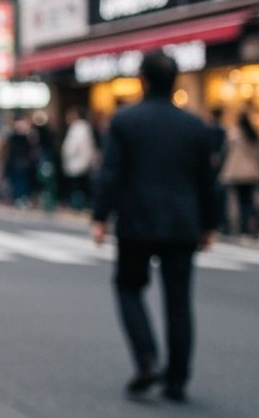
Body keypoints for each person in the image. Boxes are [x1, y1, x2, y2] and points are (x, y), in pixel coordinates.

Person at [92, 52, 217, 403]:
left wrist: (100, 216)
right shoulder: (195, 127)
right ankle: (176, 379)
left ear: (143, 79)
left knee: (128, 287)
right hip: (182, 222)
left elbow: (111, 173)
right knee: (179, 301)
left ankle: (147, 358)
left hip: (137, 221)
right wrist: (210, 223)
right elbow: (207, 182)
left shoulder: (126, 121)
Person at [220, 111, 259, 238]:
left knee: (237, 201)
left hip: (236, 172)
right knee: (248, 201)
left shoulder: (233, 133)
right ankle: (249, 226)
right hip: (251, 172)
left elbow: (224, 152)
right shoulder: (253, 134)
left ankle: (242, 226)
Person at [61, 107, 98, 211]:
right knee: (84, 187)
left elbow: (70, 148)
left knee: (77, 188)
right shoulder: (87, 128)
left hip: (76, 164)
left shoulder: (76, 128)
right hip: (85, 163)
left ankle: (78, 206)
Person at [5, 115, 37, 206]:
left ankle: (20, 197)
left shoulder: (26, 137)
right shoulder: (15, 138)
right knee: (19, 181)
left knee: (22, 181)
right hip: (20, 163)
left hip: (21, 163)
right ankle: (20, 197)